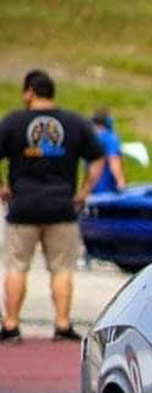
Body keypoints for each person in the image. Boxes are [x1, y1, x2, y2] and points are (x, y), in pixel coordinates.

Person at [0, 70, 104, 343]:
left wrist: (2, 187)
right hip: (62, 206)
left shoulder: (13, 122)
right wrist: (83, 191)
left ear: (29, 92)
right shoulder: (74, 123)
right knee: (61, 269)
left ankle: (11, 325)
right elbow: (97, 160)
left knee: (16, 266)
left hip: (23, 205)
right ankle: (62, 323)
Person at [90, 107, 126, 194]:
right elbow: (114, 161)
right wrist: (121, 182)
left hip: (91, 189)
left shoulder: (90, 139)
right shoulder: (110, 138)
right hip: (108, 190)